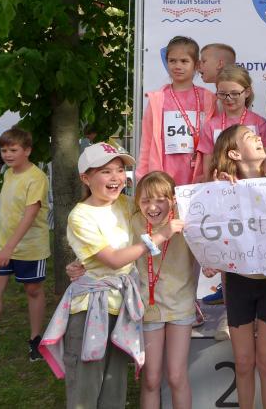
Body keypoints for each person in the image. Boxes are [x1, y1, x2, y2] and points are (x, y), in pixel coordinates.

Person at [38, 143, 183, 408]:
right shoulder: (80, 216)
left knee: (115, 387)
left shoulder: (126, 204)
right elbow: (114, 259)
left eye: (119, 170)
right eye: (106, 171)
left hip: (122, 308)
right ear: (85, 178)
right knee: (86, 387)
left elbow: (162, 209)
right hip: (89, 310)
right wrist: (160, 236)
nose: (116, 177)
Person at [65, 171, 198, 409]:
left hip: (181, 305)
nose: (153, 207)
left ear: (173, 199)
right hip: (145, 306)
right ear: (137, 202)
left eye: (161, 200)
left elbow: (208, 246)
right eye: (146, 200)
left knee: (177, 376)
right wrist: (80, 263)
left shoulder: (186, 220)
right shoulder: (133, 220)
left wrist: (211, 264)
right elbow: (112, 248)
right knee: (151, 379)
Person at [206, 125, 266, 409]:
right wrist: (219, 194)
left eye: (257, 136)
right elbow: (209, 232)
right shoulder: (222, 189)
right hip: (238, 282)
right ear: (234, 154)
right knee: (243, 362)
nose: (258, 138)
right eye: (250, 137)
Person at [0, 128, 50, 369]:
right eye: (4, 150)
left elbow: (30, 215)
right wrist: (5, 246)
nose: (7, 155)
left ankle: (36, 340)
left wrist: (10, 248)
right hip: (3, 244)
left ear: (27, 151)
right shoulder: (9, 174)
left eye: (13, 150)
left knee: (33, 290)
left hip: (30, 248)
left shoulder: (37, 177)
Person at [138, 36, 216, 185]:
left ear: (196, 65)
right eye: (172, 61)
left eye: (184, 61)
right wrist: (143, 178)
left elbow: (214, 140)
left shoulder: (208, 98)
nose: (177, 66)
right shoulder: (157, 99)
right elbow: (147, 142)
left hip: (199, 177)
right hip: (164, 179)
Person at [199, 65, 266, 178]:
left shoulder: (260, 123)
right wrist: (218, 183)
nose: (228, 98)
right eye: (222, 94)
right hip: (223, 186)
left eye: (235, 93)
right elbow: (207, 168)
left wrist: (258, 183)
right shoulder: (210, 126)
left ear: (247, 92)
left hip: (254, 186)